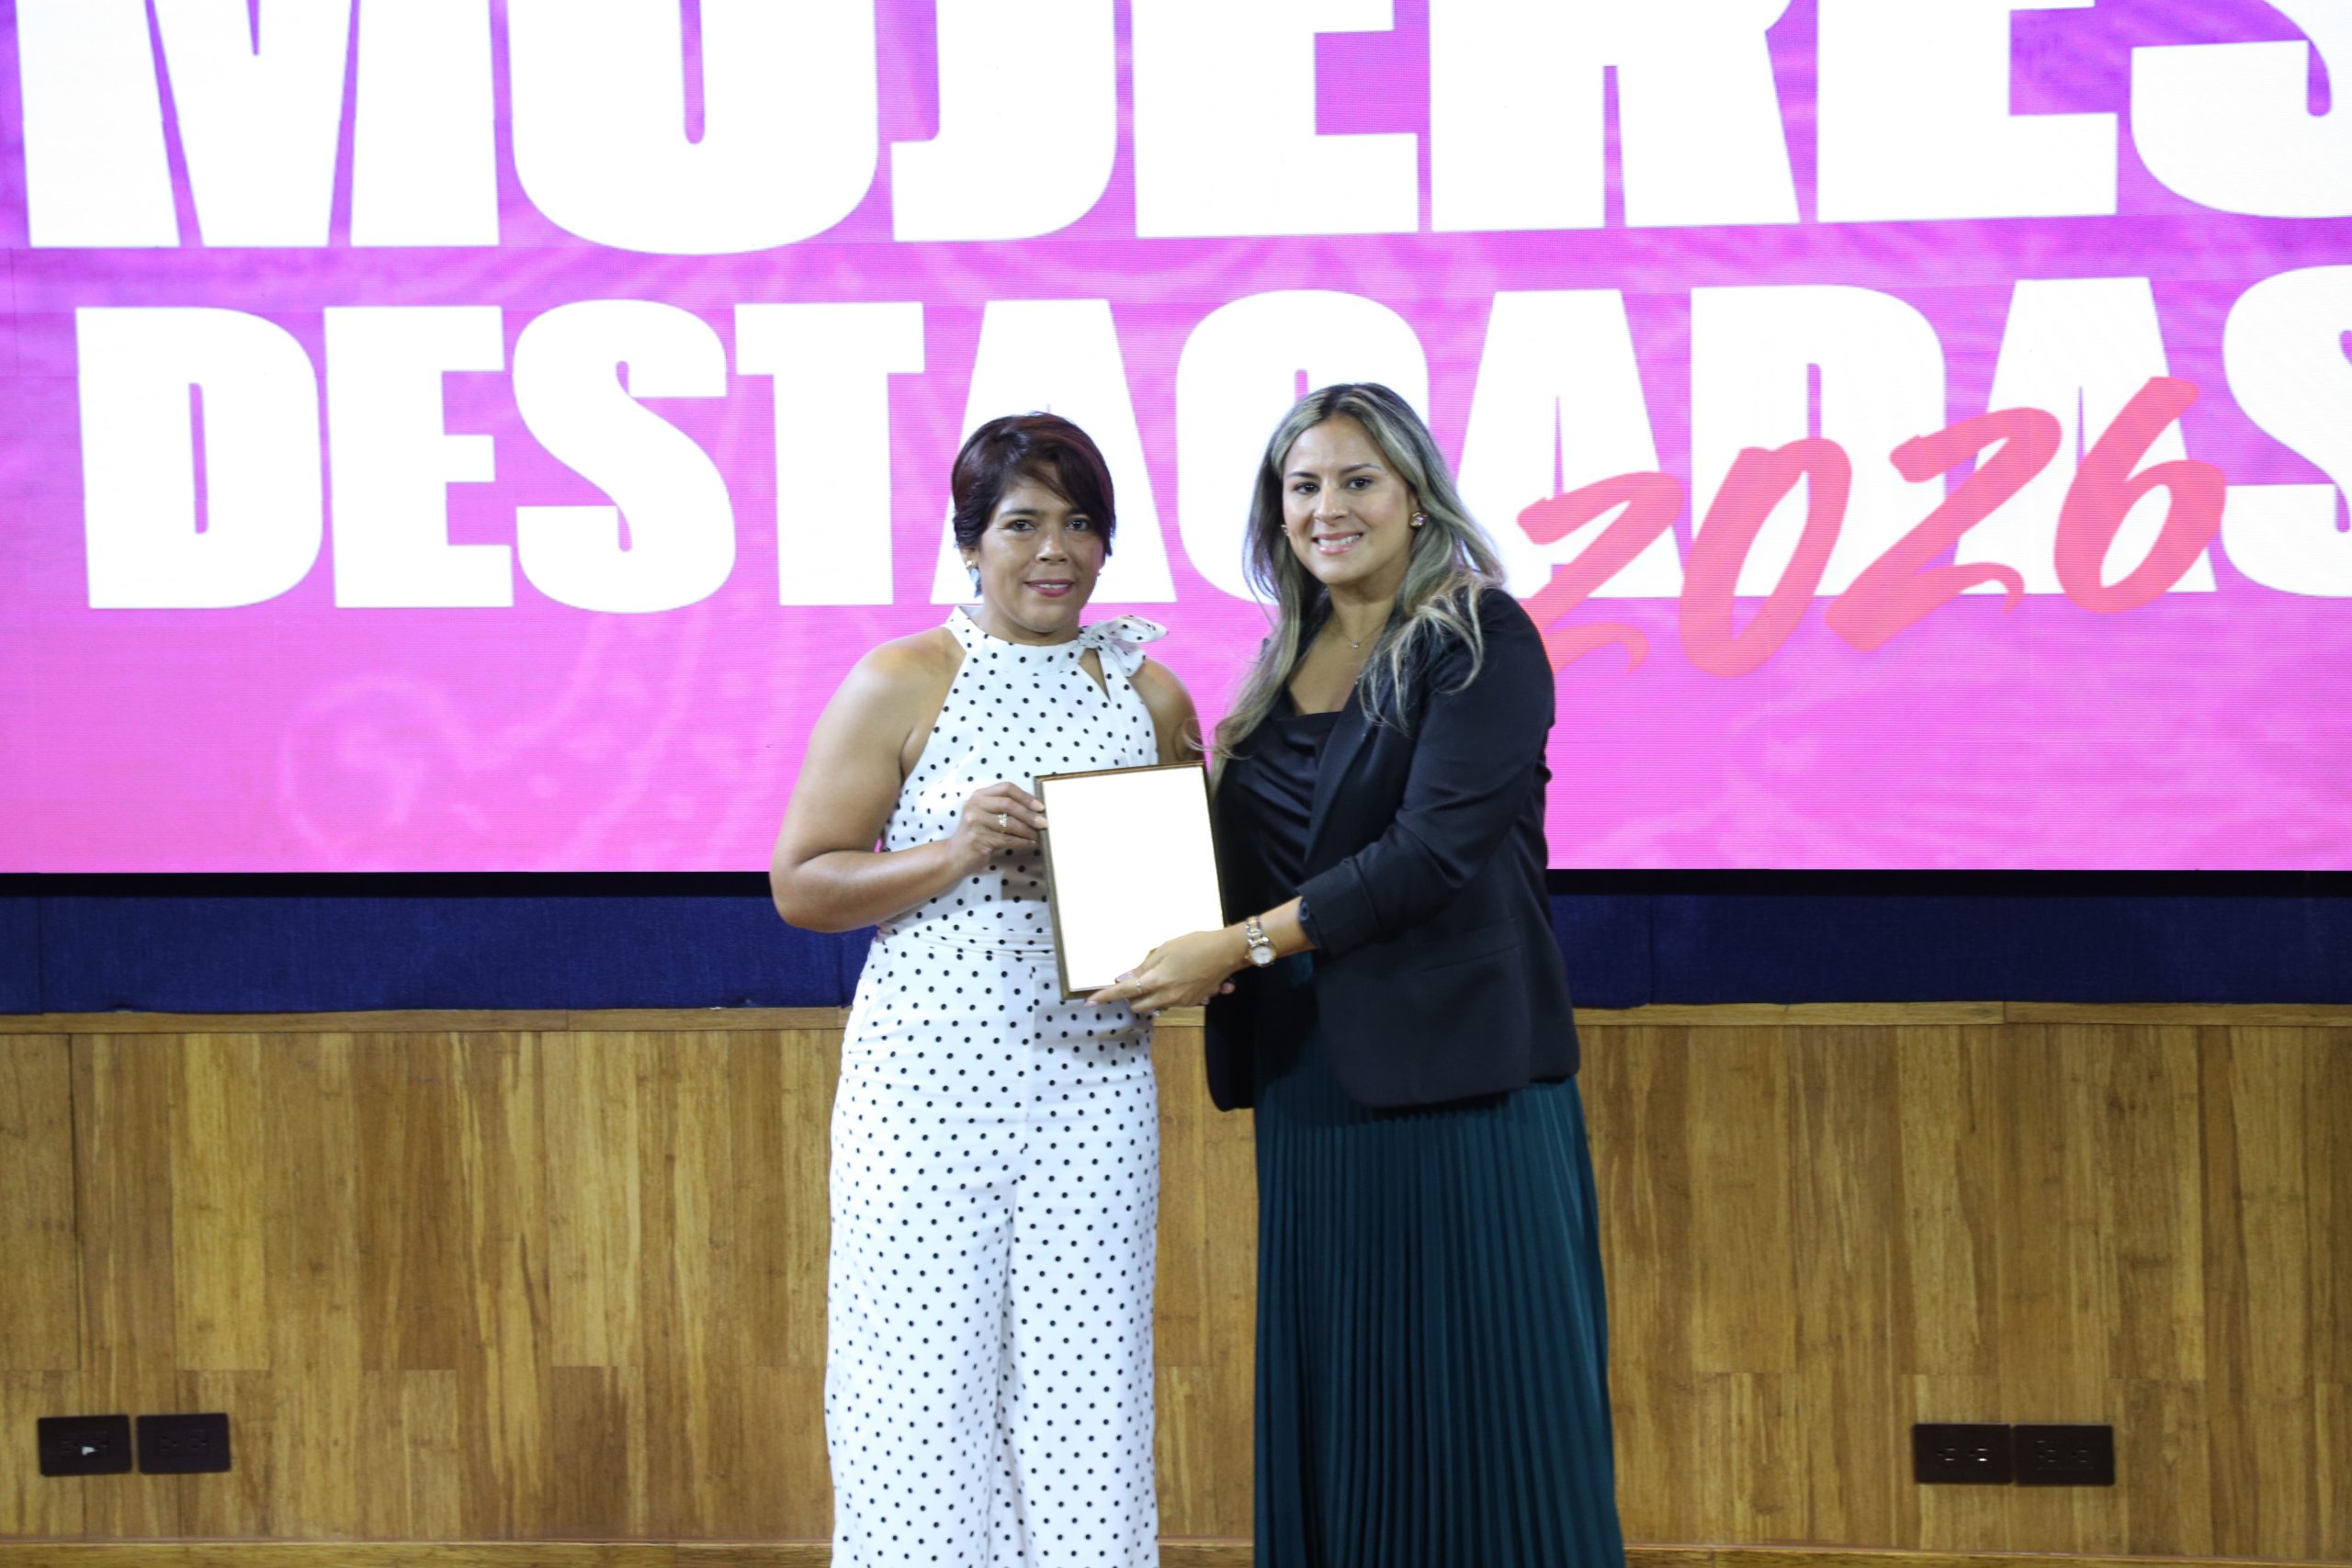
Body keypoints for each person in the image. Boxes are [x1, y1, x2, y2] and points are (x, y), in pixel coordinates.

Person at [1089, 383, 1623, 1566]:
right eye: (1303, 486)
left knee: (1490, 1407)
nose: (1327, 507)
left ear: (1415, 494)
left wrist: (1240, 945)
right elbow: (1254, 857)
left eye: (1356, 479)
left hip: (1463, 1082)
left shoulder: (1480, 636)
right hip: (1312, 1081)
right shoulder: (1279, 660)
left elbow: (1429, 855)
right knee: (1349, 1404)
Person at [771, 412, 1200, 1568]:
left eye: (1080, 524)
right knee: (914, 1386)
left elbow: (1184, 905)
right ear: (970, 543)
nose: (1054, 550)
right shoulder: (902, 679)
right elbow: (802, 884)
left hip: (1094, 1090)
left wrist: (1175, 943)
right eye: (1022, 524)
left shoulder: (1151, 693)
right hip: (922, 1092)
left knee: (1089, 1388)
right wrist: (954, 851)